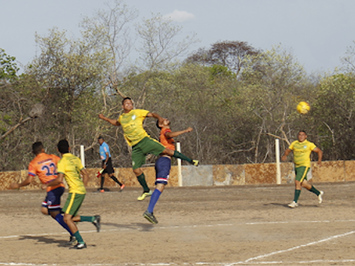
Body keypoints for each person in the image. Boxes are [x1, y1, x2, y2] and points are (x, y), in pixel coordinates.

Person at [98, 97, 199, 201]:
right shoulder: (122, 118)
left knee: (166, 151)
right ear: (122, 106)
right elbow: (116, 123)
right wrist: (105, 118)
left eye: (130, 103)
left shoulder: (137, 112)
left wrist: (159, 118)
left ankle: (191, 161)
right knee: (136, 170)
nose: (129, 104)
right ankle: (146, 190)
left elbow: (152, 114)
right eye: (126, 103)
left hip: (145, 140)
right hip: (136, 147)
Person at [9, 141, 76, 244]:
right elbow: (64, 165)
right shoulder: (53, 157)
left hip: (52, 189)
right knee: (44, 210)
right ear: (43, 149)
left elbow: (28, 181)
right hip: (59, 186)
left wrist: (18, 185)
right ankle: (70, 216)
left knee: (54, 213)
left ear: (33, 152)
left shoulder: (34, 163)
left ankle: (73, 232)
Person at [43, 139, 101, 249]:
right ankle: (93, 219)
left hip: (75, 192)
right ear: (69, 148)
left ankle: (81, 242)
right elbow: (85, 174)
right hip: (80, 191)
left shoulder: (62, 162)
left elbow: (59, 179)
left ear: (58, 150)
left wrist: (48, 184)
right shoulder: (75, 159)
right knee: (71, 217)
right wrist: (82, 187)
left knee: (66, 219)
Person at [143, 118, 193, 224]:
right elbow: (169, 135)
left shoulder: (165, 132)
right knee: (160, 186)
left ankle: (150, 210)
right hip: (164, 160)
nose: (165, 119)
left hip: (162, 160)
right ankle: (149, 211)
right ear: (161, 125)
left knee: (160, 187)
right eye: (163, 120)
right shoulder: (165, 131)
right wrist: (185, 131)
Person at [281, 130, 324, 208]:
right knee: (303, 184)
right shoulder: (294, 143)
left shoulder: (309, 144)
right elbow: (288, 150)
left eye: (303, 135)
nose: (301, 136)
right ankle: (318, 193)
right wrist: (285, 155)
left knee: (297, 181)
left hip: (304, 165)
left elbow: (319, 151)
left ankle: (295, 202)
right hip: (296, 166)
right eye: (299, 135)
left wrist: (319, 160)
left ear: (306, 136)